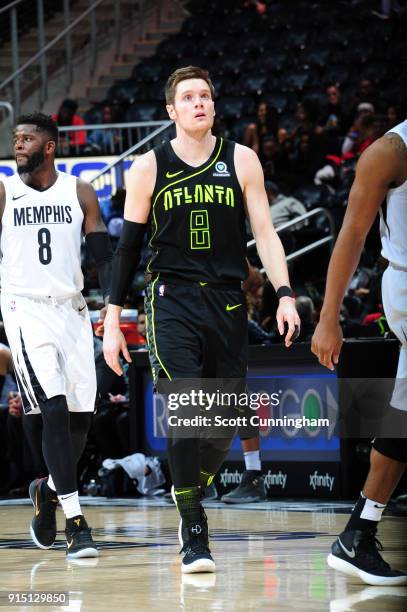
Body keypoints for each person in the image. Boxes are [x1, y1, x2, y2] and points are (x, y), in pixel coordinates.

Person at [102, 66, 300, 574]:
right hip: (170, 298)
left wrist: (284, 293)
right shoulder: (148, 167)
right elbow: (126, 251)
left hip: (228, 301)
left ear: (214, 105)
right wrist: (109, 317)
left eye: (205, 96)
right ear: (171, 110)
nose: (198, 103)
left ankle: (192, 484)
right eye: (187, 97)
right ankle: (194, 528)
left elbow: (266, 232)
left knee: (226, 416)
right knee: (185, 400)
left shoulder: (242, 158)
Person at [0, 112, 113, 559]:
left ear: (49, 147)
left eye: (27, 138)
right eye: (15, 138)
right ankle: (76, 521)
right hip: (25, 310)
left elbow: (102, 252)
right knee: (53, 410)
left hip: (73, 312)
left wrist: (116, 305)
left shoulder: (79, 192)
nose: (18, 145)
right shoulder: (5, 192)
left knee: (80, 421)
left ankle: (46, 491)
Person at [311, 117, 407, 585]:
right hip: (406, 284)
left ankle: (359, 534)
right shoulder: (390, 150)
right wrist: (329, 317)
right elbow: (351, 234)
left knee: (404, 417)